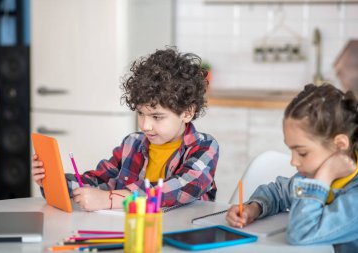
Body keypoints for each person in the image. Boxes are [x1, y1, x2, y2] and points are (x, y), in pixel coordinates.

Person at [32, 47, 219, 212]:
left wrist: (110, 199)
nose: (145, 125)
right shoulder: (133, 143)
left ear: (187, 112)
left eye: (157, 117)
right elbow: (100, 180)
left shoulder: (204, 146)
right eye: (140, 113)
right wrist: (53, 182)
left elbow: (182, 187)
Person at [226, 83, 358, 253]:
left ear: (339, 145)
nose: (293, 161)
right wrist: (254, 208)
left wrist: (323, 178)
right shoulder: (309, 177)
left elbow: (301, 233)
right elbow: (277, 192)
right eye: (291, 150)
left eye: (302, 153)